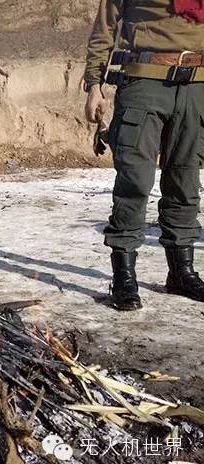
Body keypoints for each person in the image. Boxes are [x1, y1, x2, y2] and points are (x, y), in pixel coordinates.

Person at [84, 0, 204, 310]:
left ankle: (181, 273)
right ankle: (124, 276)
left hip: (197, 86)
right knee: (135, 180)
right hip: (144, 82)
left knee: (185, 179)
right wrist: (94, 85)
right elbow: (105, 27)